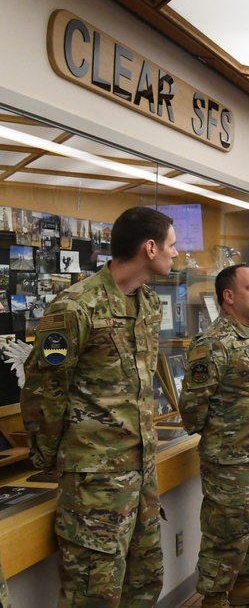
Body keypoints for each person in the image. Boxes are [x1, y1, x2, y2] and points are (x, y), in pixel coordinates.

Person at [21, 206, 177, 607]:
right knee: (93, 593)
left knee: (144, 582)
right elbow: (44, 390)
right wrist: (55, 459)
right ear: (149, 247)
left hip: (140, 474)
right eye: (172, 246)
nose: (175, 254)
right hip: (93, 483)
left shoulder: (148, 305)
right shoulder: (75, 307)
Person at [180, 264, 249, 608]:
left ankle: (244, 582)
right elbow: (192, 408)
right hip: (228, 459)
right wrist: (224, 432)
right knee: (225, 531)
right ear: (229, 297)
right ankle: (214, 597)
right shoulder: (212, 343)